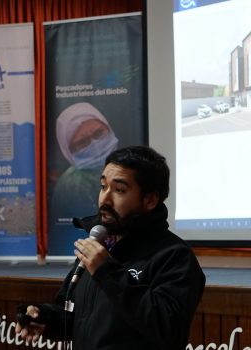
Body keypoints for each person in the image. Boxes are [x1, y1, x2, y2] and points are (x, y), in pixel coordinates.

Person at [18, 146, 205, 350]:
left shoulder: (174, 256)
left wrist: (107, 272)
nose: (104, 199)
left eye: (119, 190)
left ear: (150, 200)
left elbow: (169, 330)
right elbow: (76, 318)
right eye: (103, 186)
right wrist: (44, 317)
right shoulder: (99, 245)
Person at [50, 102, 119, 223]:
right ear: (68, 151)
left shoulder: (126, 163)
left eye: (98, 133)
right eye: (82, 142)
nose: (95, 144)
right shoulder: (72, 185)